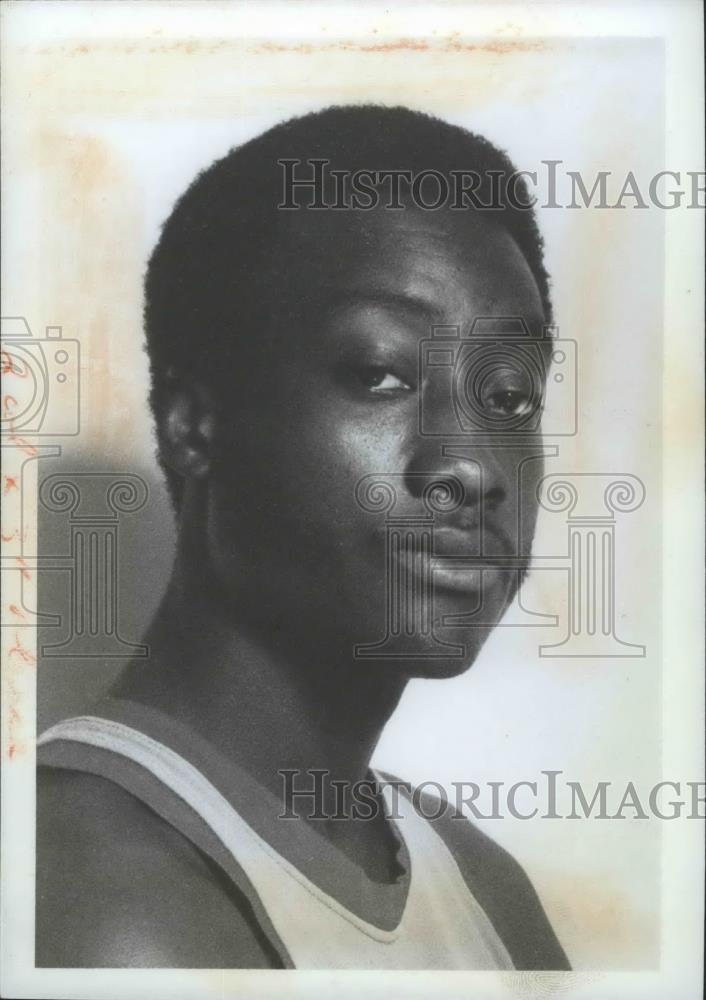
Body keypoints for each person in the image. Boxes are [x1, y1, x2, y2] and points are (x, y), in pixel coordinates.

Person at [36, 104, 570, 970]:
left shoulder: (482, 888)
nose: (473, 468)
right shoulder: (100, 896)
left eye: (510, 396)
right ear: (194, 426)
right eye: (378, 372)